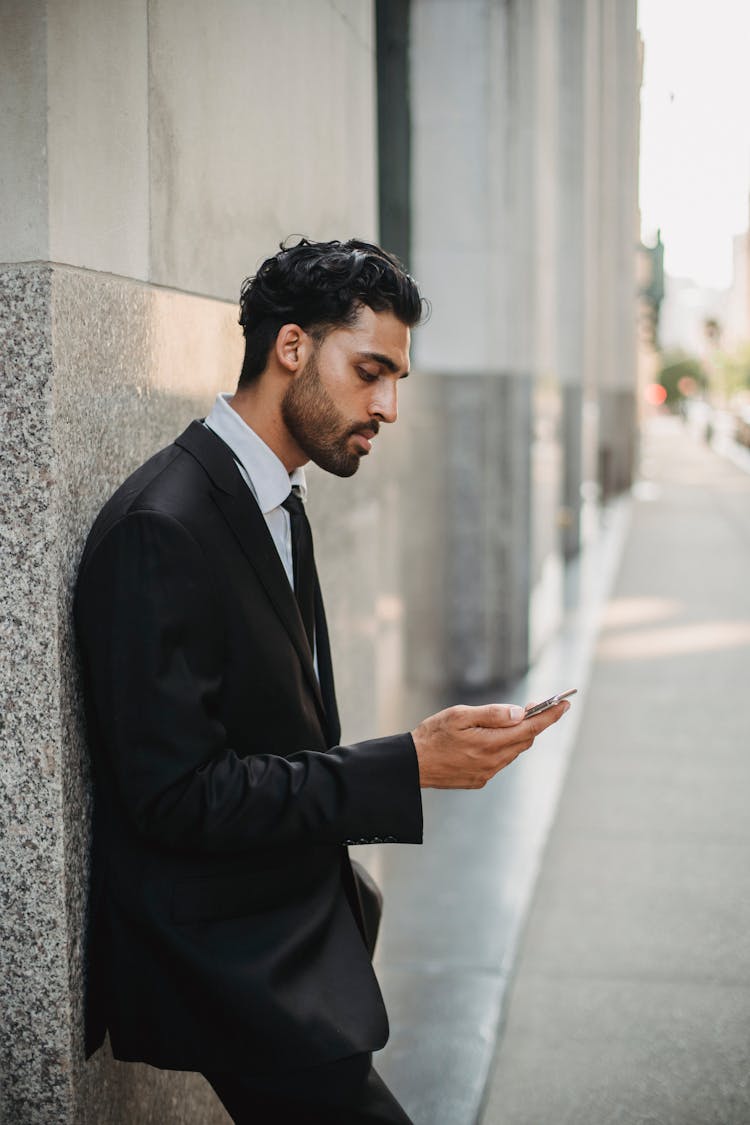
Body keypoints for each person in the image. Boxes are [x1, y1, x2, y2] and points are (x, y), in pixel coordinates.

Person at [74, 237, 569, 1124]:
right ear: (292, 347)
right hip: (227, 959)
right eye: (369, 370)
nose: (386, 406)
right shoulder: (164, 525)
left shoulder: (276, 502)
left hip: (294, 935)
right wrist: (406, 762)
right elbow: (176, 795)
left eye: (396, 382)